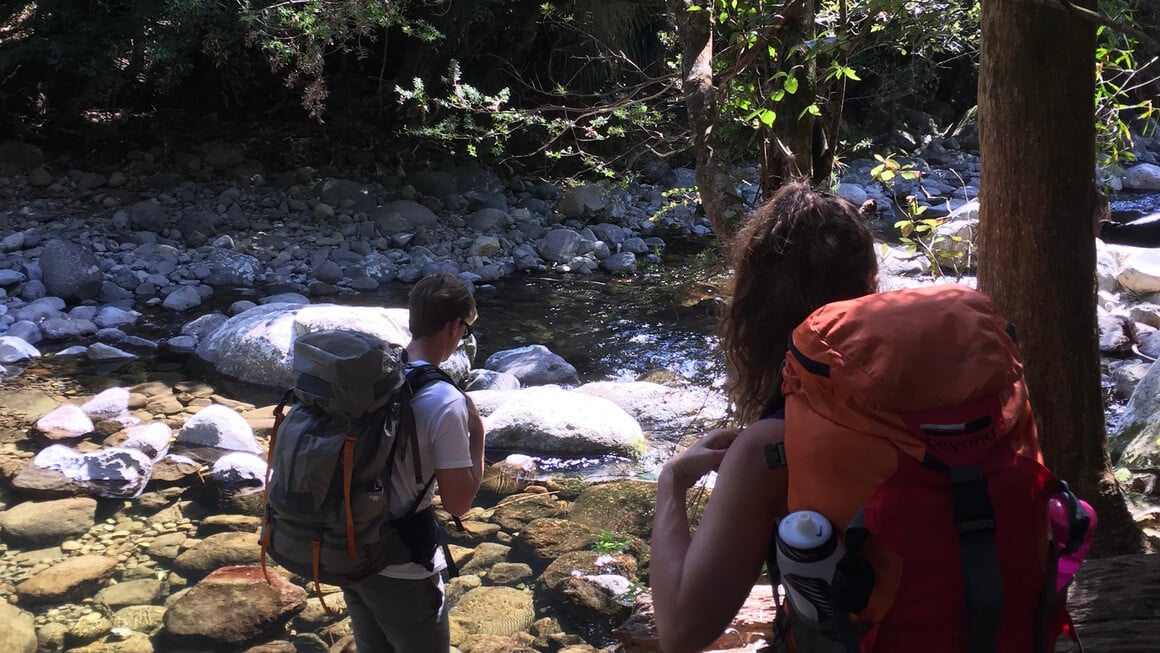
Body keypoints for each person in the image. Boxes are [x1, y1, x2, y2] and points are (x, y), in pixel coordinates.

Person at [650, 180, 880, 653]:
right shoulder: (949, 391)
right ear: (872, 288)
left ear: (754, 309)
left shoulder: (774, 444)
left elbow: (680, 631)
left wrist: (671, 481)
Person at [342, 273, 486, 653]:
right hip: (402, 567)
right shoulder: (444, 401)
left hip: (350, 547)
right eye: (466, 330)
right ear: (455, 325)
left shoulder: (374, 375)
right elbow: (458, 504)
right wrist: (478, 434)